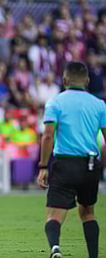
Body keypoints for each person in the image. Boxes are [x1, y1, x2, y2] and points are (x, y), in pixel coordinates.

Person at [37, 61, 106, 258]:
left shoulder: (55, 102)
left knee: (55, 214)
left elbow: (48, 136)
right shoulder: (99, 104)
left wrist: (43, 166)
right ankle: (93, 255)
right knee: (88, 213)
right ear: (88, 81)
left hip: (64, 163)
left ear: (65, 80)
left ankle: (55, 248)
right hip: (90, 164)